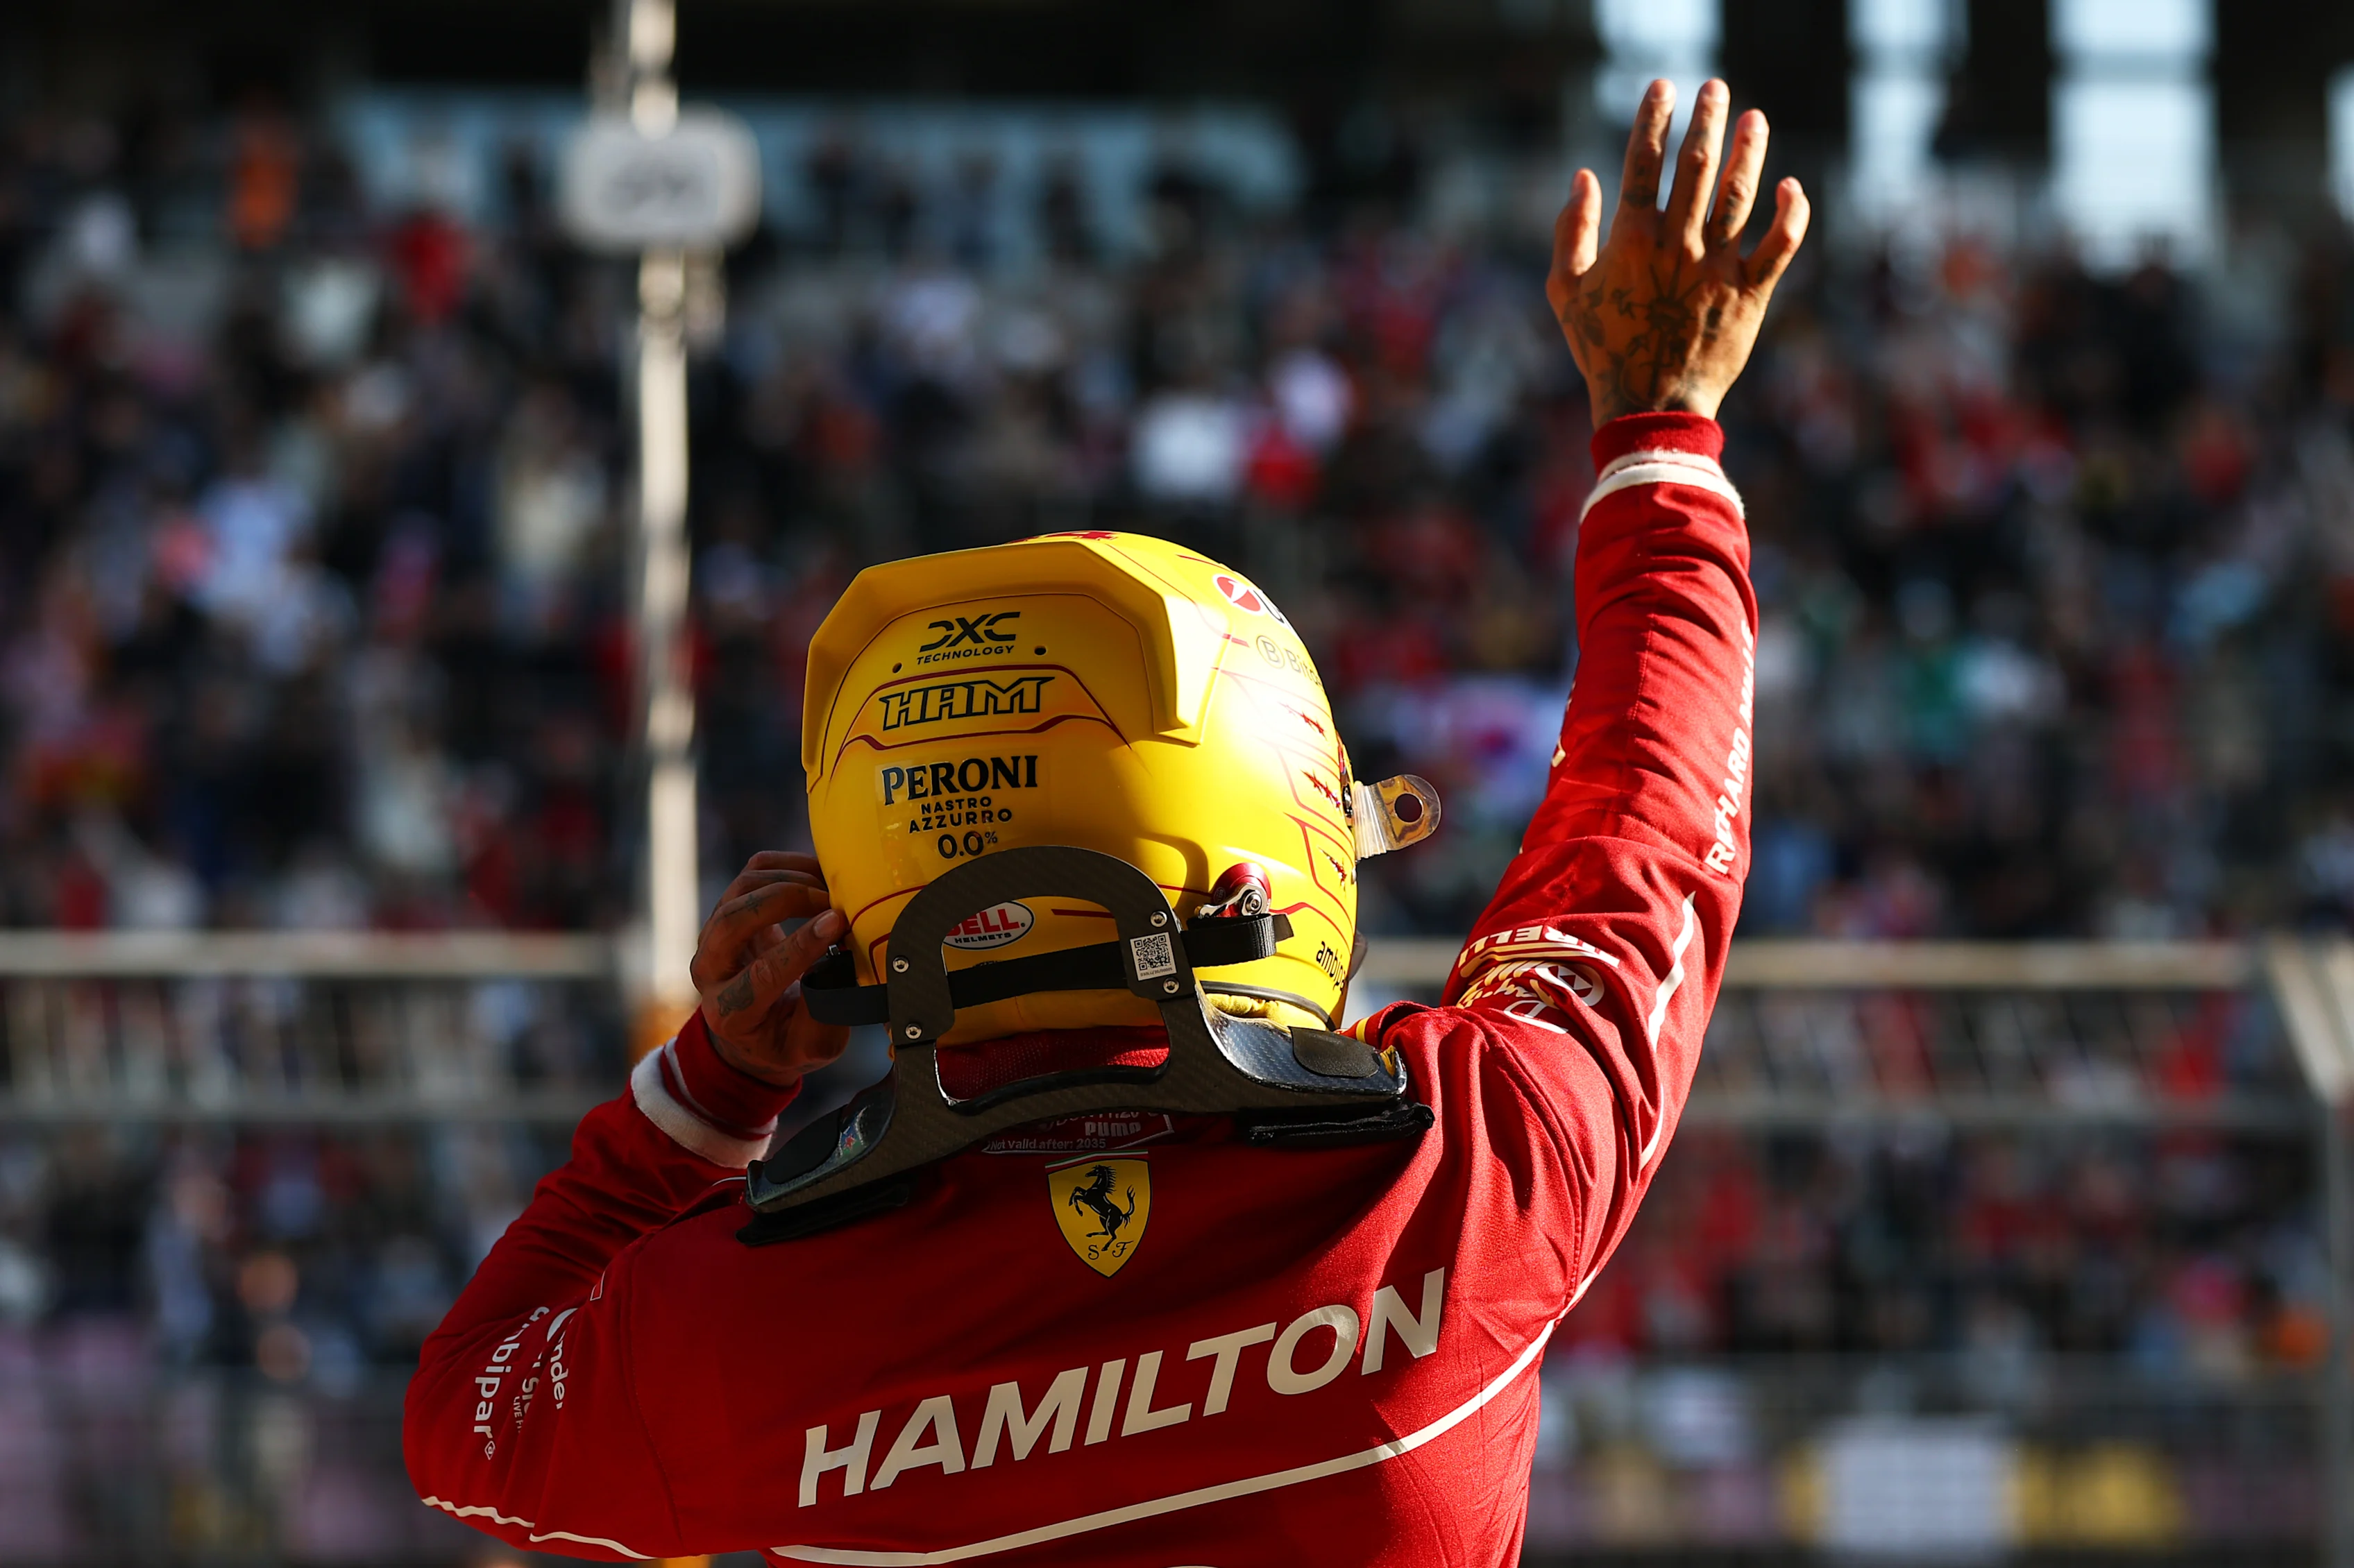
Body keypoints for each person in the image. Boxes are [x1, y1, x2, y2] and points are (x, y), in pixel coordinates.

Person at [403, 77, 1806, 1565]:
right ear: (1282, 844)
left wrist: (716, 1081)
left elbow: (461, 1414)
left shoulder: (737, 1317)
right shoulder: (1460, 1177)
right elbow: (1646, 831)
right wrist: (1661, 431)